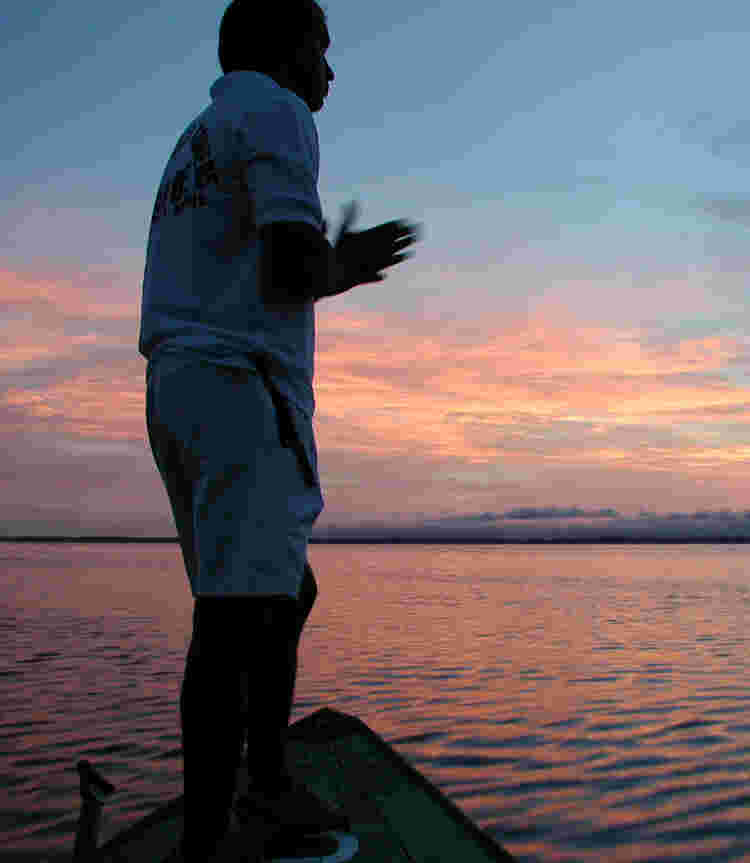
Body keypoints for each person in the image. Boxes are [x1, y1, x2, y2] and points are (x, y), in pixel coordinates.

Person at [140, 1, 417, 859]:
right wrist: (351, 263)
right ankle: (214, 834)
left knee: (282, 595)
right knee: (233, 623)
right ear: (285, 50)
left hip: (179, 387)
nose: (329, 73)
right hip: (239, 391)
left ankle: (262, 780)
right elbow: (291, 264)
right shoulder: (277, 110)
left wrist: (328, 260)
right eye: (322, 50)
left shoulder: (202, 131)